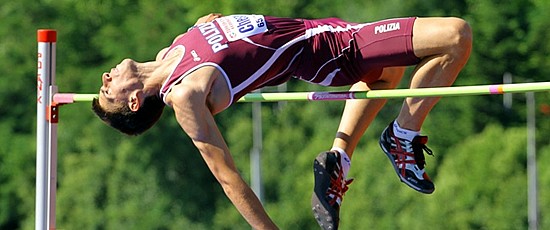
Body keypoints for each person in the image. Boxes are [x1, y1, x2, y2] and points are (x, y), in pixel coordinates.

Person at [92, 12, 472, 229]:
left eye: (103, 84)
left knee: (385, 74)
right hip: (335, 49)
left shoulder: (172, 48)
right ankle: (402, 136)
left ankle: (338, 158)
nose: (106, 79)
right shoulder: (185, 94)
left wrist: (207, 23)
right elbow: (228, 177)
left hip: (326, 31)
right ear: (136, 101)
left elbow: (225, 35)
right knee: (456, 35)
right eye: (108, 91)